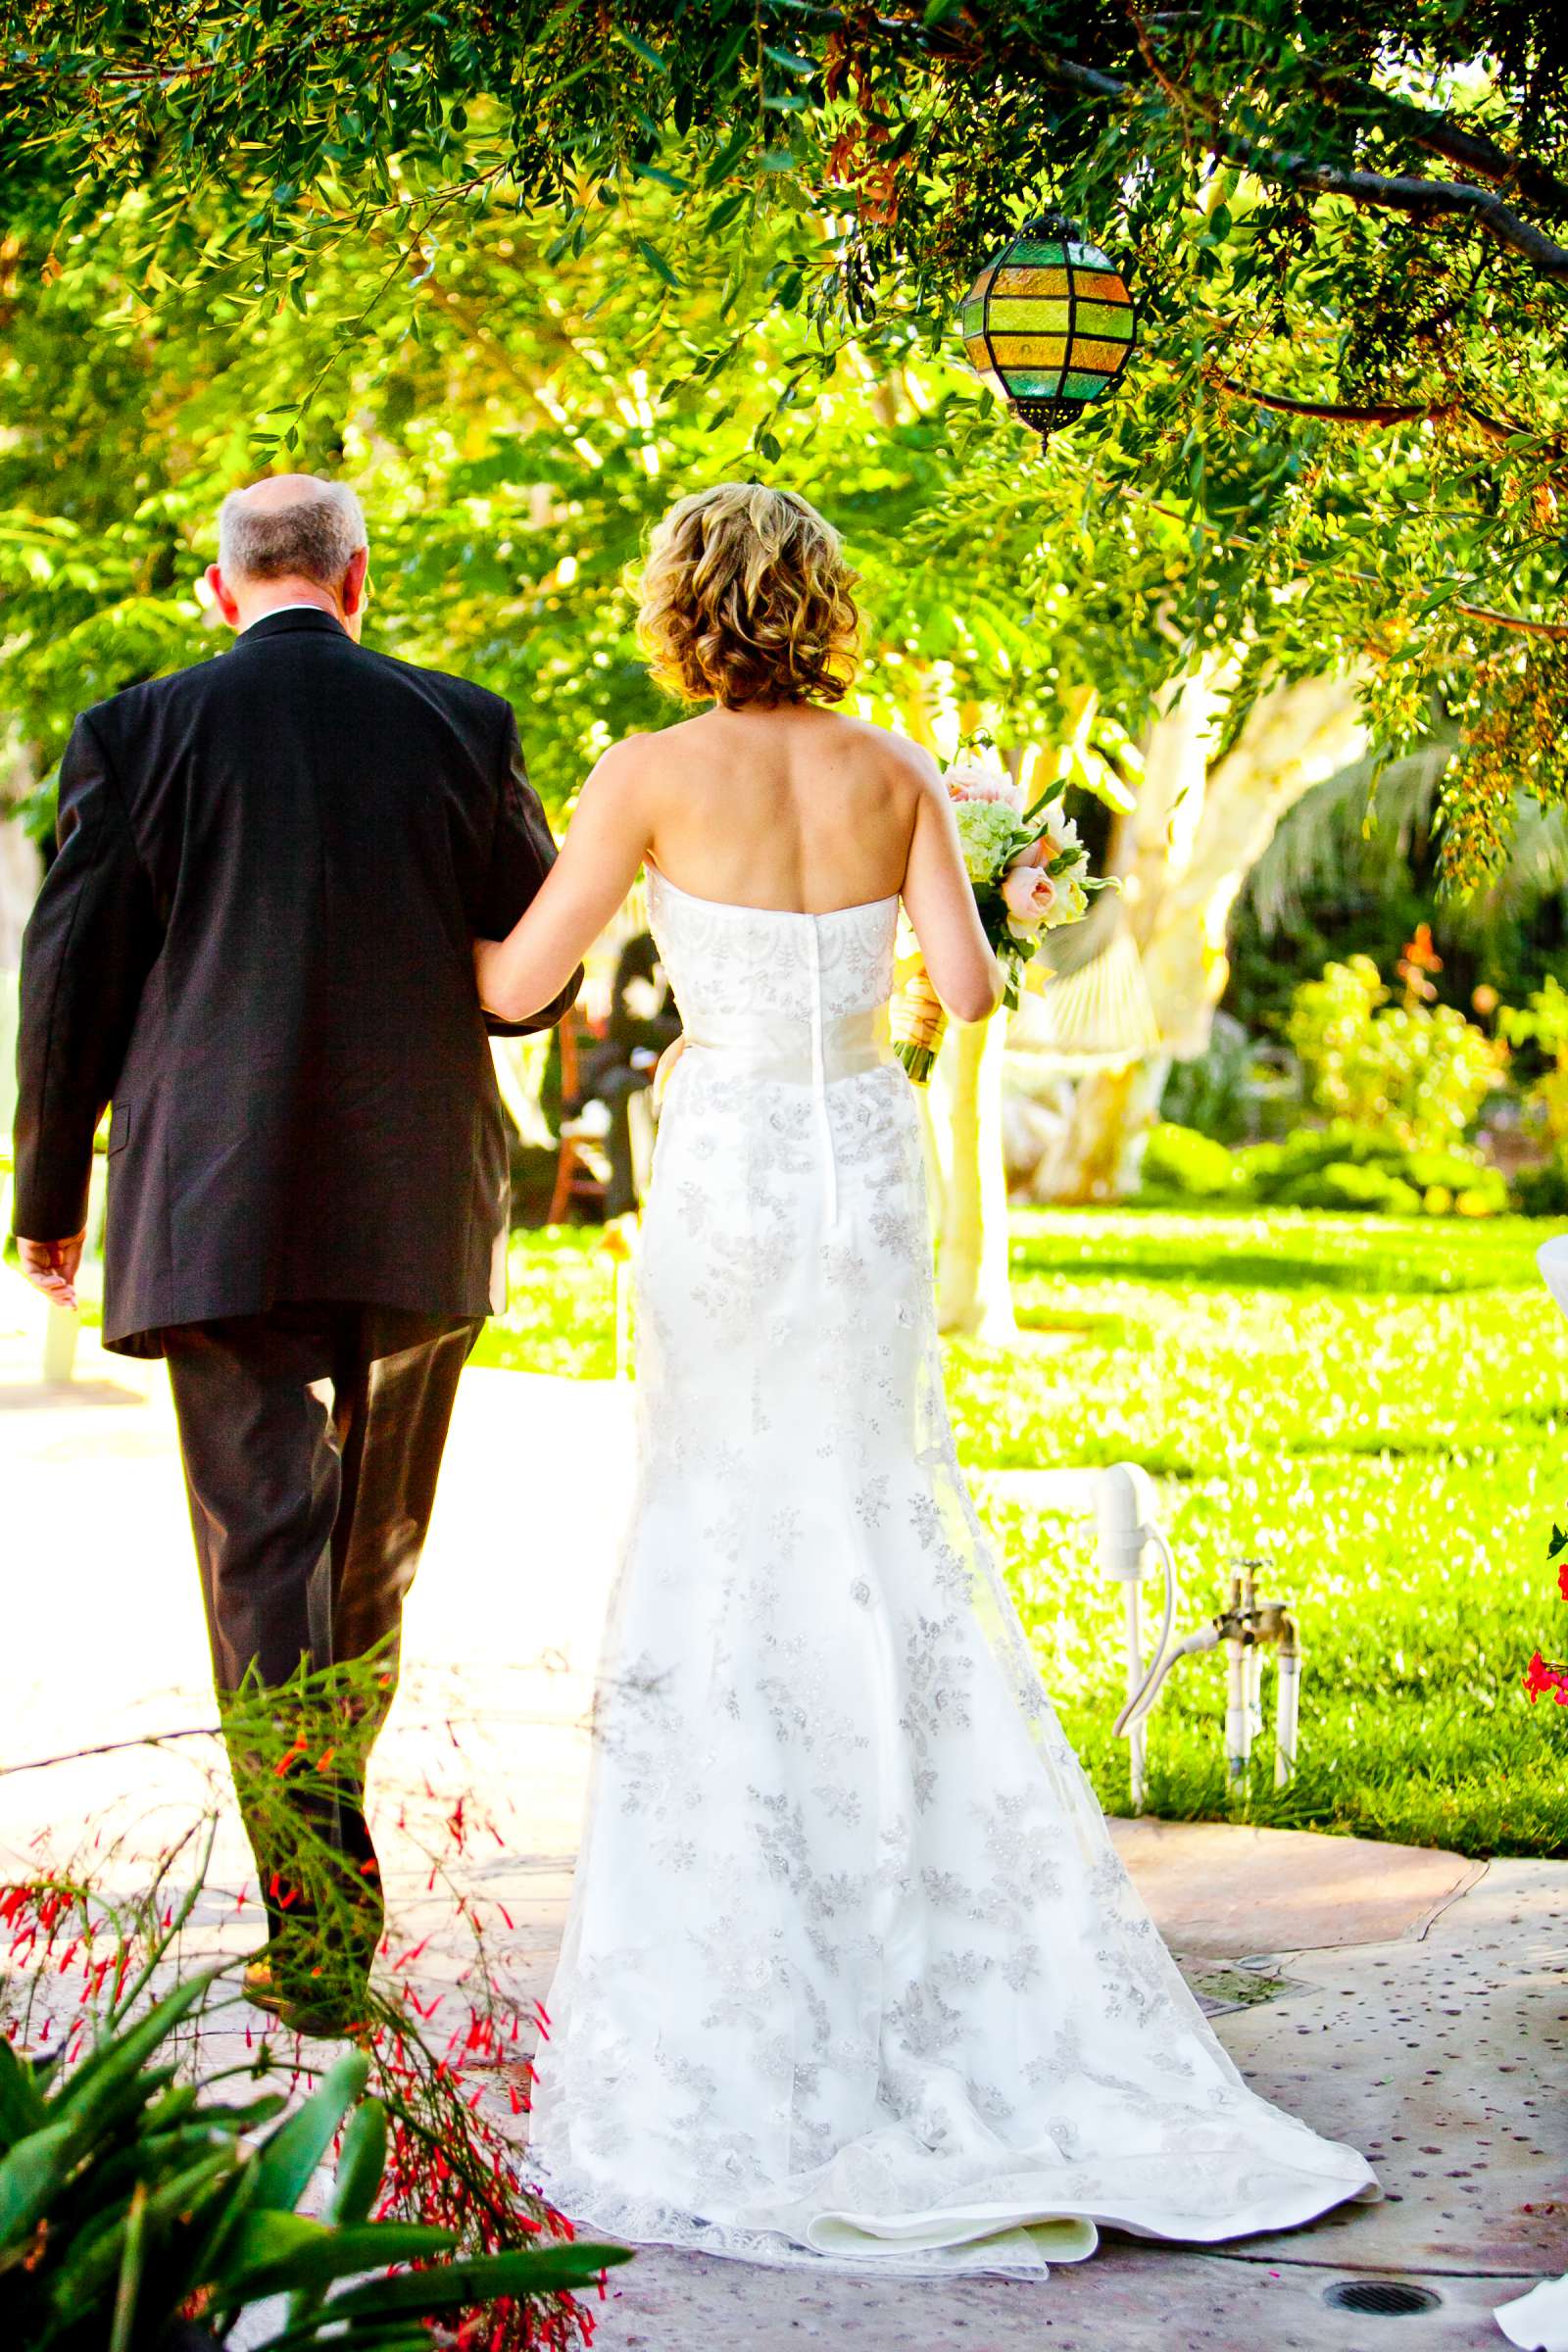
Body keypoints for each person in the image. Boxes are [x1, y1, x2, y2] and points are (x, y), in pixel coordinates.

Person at [472, 481, 1377, 2273]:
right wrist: (856, 985)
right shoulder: (894, 774)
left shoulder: (645, 774)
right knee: (877, 1506)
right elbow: (965, 986)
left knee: (726, 1517)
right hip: (863, 1179)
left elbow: (518, 987)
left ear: (680, 610)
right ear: (821, 604)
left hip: (727, 1174)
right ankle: (928, 1886)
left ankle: (751, 1929)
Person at [11, 474, 579, 2032]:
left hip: (219, 1197)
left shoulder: (137, 732)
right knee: (370, 1559)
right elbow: (529, 977)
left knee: (263, 1564)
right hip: (417, 1199)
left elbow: (71, 977)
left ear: (219, 588)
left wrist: (48, 1192)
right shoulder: (462, 721)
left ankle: (318, 1930)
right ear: (356, 580)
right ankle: (329, 1876)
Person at [563, 931, 681, 1218]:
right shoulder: (642, 950)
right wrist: (683, 1036)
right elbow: (625, 1024)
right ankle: (627, 1212)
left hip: (691, 1068)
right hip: (626, 1065)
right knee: (628, 1091)